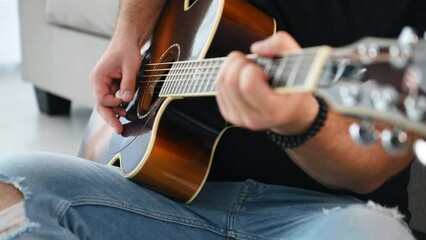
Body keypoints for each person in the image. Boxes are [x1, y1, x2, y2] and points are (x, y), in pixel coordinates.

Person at [1, 0, 425, 239]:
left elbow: (377, 166)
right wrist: (127, 37)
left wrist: (300, 122)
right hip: (159, 199)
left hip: (319, 217)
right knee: (8, 186)